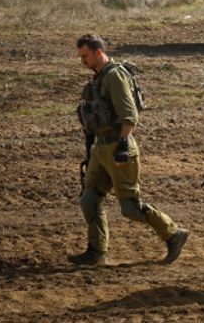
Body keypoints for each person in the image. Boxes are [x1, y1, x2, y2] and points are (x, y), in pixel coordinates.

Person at [69, 34, 188, 266]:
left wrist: (123, 144)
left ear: (98, 52)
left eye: (85, 56)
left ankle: (174, 234)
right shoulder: (97, 80)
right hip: (101, 147)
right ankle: (96, 251)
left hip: (118, 146)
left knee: (131, 207)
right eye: (80, 57)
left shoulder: (114, 76)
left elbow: (129, 114)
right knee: (89, 200)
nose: (82, 61)